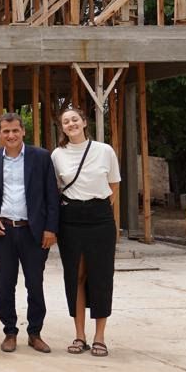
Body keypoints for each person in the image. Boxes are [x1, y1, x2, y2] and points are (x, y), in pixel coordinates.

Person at [0, 112, 60, 353]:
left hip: (33, 232)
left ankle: (35, 332)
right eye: (6, 131)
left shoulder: (41, 157)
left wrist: (50, 228)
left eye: (15, 130)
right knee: (6, 284)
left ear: (23, 131)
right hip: (3, 231)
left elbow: (52, 196)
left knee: (35, 284)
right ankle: (10, 332)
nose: (11, 135)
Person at [52, 106, 121, 358]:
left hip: (100, 216)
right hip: (70, 218)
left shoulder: (105, 151)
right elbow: (57, 187)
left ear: (84, 122)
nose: (71, 124)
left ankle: (99, 336)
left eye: (74, 119)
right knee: (76, 276)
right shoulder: (57, 154)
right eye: (66, 122)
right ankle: (79, 335)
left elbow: (113, 184)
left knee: (101, 276)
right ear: (62, 127)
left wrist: (97, 208)